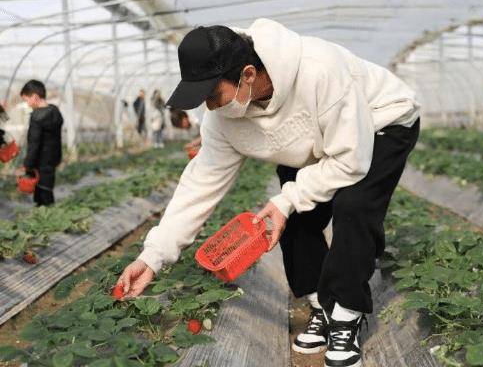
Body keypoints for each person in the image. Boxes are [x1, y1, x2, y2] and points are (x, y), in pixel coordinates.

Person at [117, 19, 420, 367]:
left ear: (248, 74)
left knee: (355, 205)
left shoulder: (319, 71)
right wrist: (152, 256)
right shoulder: (224, 120)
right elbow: (199, 184)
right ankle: (321, 304)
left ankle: (346, 313)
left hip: (382, 122)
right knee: (287, 214)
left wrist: (287, 199)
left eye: (213, 95)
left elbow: (351, 160)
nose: (210, 108)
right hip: (312, 142)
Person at [17, 80, 64, 207]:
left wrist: (27, 165)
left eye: (27, 100)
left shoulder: (37, 117)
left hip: (39, 162)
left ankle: (47, 219)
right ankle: (47, 216)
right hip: (52, 159)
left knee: (41, 193)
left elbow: (34, 144)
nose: (27, 104)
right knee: (48, 188)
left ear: (35, 97)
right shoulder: (55, 112)